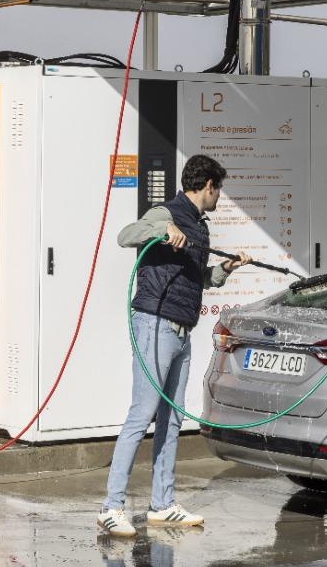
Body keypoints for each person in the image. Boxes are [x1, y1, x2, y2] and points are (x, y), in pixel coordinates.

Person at [97, 154, 252, 537]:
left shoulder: (200, 227)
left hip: (182, 329)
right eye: (220, 190)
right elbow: (124, 236)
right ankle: (110, 506)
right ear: (209, 186)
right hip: (154, 324)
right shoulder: (165, 212)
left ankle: (162, 504)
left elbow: (201, 279)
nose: (220, 197)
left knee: (172, 417)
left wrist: (225, 270)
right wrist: (162, 229)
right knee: (142, 413)